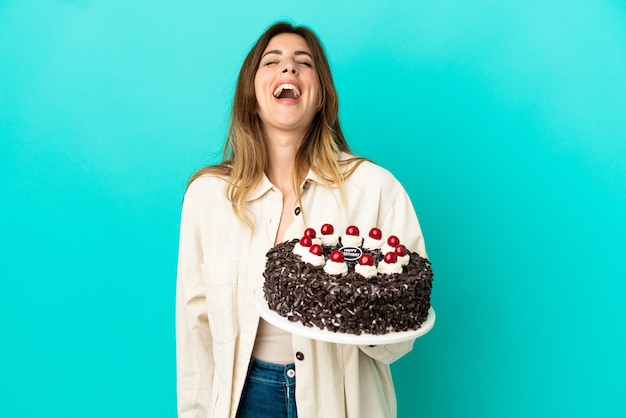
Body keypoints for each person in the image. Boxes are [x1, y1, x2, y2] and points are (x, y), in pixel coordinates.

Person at [176, 21, 428, 418]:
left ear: (321, 96)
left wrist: (359, 303)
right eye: (272, 61)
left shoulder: (376, 188)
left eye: (303, 63)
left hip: (341, 404)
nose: (288, 69)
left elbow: (400, 339)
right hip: (245, 399)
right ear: (250, 95)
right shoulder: (208, 198)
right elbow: (196, 333)